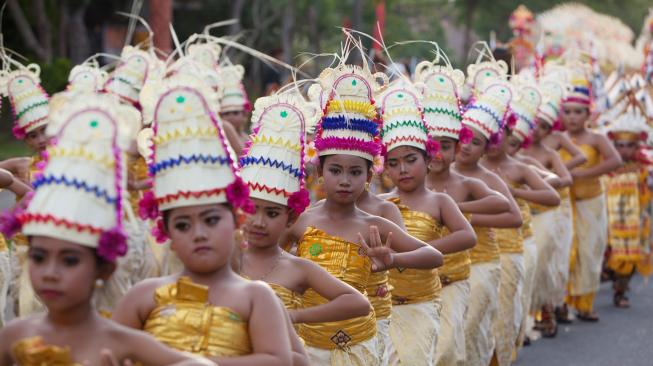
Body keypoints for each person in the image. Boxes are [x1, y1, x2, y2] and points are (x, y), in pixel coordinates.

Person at [0, 93, 214, 366]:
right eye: (39, 257)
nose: (50, 273)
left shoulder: (125, 343)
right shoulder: (14, 337)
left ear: (104, 268)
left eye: (69, 260)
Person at [112, 75, 294, 365]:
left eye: (210, 220)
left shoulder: (256, 296)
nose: (198, 233)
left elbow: (279, 361)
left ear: (237, 220)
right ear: (166, 233)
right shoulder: (143, 296)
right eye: (182, 225)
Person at [281, 62, 443, 365]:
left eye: (355, 171)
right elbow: (272, 265)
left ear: (370, 175)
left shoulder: (376, 223)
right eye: (336, 170)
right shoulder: (301, 221)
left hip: (365, 337)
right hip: (308, 341)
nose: (345, 180)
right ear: (319, 172)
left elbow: (434, 256)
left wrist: (394, 259)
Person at [238, 93, 372, 364]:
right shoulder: (226, 260)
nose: (259, 221)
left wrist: (295, 316)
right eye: (251, 210)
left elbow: (358, 303)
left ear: (290, 219)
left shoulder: (297, 268)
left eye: (272, 212)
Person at [414, 61, 511, 366]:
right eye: (433, 146)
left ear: (459, 146)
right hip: (418, 281)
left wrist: (457, 211)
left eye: (446, 146)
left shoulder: (468, 183)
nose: (439, 154)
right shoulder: (412, 186)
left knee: (454, 345)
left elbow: (507, 209)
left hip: (461, 274)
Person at [377, 81, 477, 365]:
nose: (403, 169)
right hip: (386, 305)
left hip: (423, 302)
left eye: (410, 160)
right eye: (393, 163)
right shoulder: (382, 204)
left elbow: (467, 236)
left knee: (432, 356)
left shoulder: (439, 202)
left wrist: (424, 249)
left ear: (428, 159)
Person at [559, 66, 622, 322]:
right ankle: (561, 302)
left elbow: (615, 160)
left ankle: (584, 302)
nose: (573, 117)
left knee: (589, 251)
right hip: (563, 205)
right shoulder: (557, 138)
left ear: (588, 113)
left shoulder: (596, 138)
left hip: (590, 203)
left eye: (578, 112)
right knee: (564, 251)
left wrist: (585, 174)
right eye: (568, 112)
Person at [519, 75, 573, 337]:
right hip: (526, 216)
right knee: (532, 266)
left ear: (550, 127)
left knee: (545, 264)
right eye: (532, 125)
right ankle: (529, 316)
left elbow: (564, 179)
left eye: (542, 126)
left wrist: (538, 184)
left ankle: (547, 310)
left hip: (547, 214)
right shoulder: (518, 156)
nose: (536, 131)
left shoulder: (547, 154)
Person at [603, 104, 652, 309]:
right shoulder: (607, 165)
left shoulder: (643, 166)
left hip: (634, 222)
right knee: (609, 256)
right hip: (609, 221)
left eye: (629, 145)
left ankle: (620, 291)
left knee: (632, 257)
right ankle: (613, 281)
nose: (624, 150)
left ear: (637, 145)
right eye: (620, 145)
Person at [219, 64, 252, 143]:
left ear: (244, 114)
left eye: (235, 113)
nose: (231, 117)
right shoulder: (225, 130)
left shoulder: (245, 136)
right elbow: (242, 151)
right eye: (226, 113)